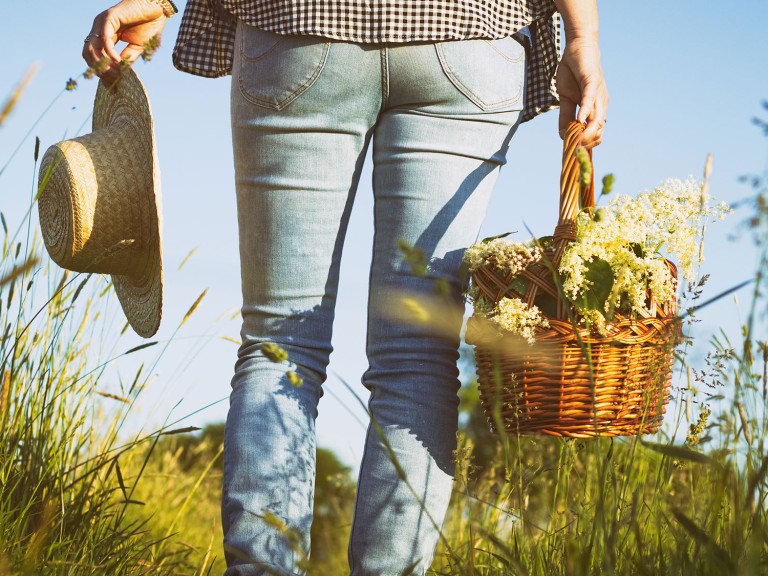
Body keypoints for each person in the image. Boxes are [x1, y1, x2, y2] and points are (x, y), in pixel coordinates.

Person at [83, 0, 607, 574]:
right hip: (466, 40)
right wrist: (583, 36)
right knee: (418, 355)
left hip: (299, 28)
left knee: (279, 343)